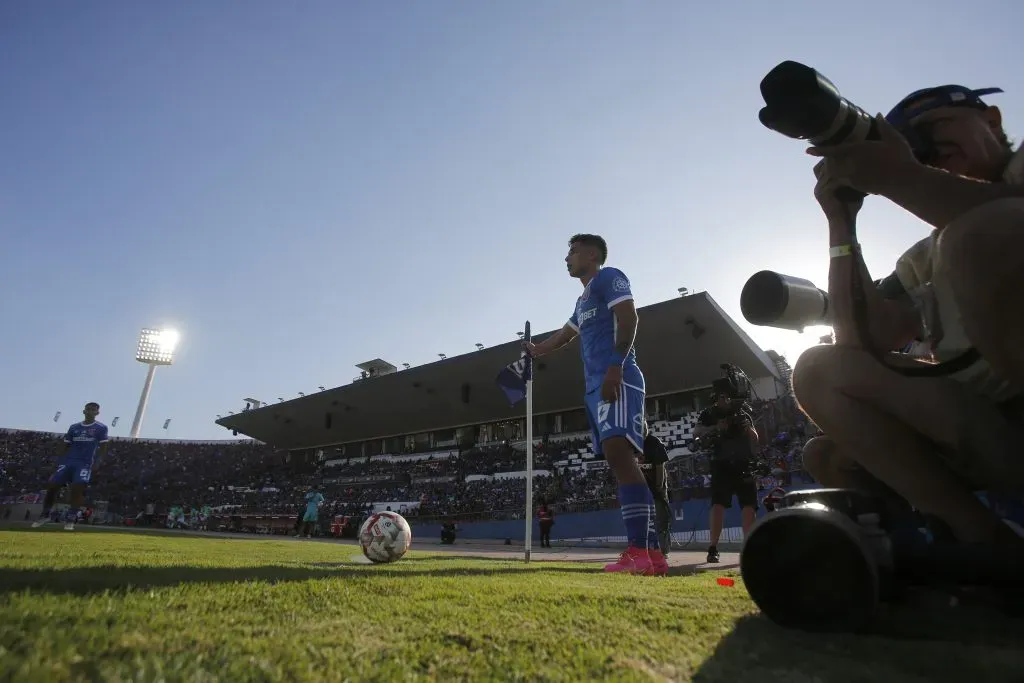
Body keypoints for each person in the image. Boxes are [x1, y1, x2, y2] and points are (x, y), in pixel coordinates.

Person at [795, 84, 1024, 546]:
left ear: (993, 120)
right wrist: (842, 221)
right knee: (820, 379)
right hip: (997, 431)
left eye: (933, 128)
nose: (926, 150)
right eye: (912, 145)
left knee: (976, 235)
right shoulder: (925, 258)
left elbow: (994, 228)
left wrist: (899, 177)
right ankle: (988, 547)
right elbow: (862, 343)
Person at [525, 234, 667, 575]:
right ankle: (652, 555)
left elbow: (630, 318)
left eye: (572, 251)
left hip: (617, 376)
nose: (567, 258)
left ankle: (638, 551)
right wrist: (537, 349)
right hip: (594, 388)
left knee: (620, 455)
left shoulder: (609, 276)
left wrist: (616, 366)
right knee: (618, 461)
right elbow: (565, 335)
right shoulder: (582, 300)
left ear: (592, 254)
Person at [694, 392, 758, 563]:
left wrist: (747, 429)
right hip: (720, 463)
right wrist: (716, 428)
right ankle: (713, 547)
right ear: (716, 398)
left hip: (744, 461)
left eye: (728, 397)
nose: (726, 400)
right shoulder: (708, 413)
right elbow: (696, 433)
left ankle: (749, 548)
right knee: (718, 504)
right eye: (722, 397)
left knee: (749, 505)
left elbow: (755, 437)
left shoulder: (742, 413)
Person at [32, 402, 109, 531]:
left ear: (97, 413)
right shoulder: (74, 427)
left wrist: (98, 461)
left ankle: (71, 518)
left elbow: (104, 446)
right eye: (88, 409)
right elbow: (65, 444)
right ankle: (45, 515)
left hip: (84, 463)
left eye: (93, 409)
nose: (90, 411)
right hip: (67, 461)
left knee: (77, 488)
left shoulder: (101, 428)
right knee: (53, 485)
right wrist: (57, 461)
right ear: (84, 411)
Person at [639, 423, 672, 557]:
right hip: (641, 489)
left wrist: (659, 488)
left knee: (661, 520)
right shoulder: (631, 445)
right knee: (643, 521)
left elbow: (660, 468)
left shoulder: (654, 443)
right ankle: (643, 550)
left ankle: (663, 550)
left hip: (656, 488)